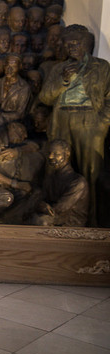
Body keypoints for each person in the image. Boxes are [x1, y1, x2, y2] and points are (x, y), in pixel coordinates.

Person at [39, 25, 110, 225]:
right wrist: (63, 81)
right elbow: (45, 97)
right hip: (62, 120)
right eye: (67, 44)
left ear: (86, 45)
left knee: (91, 172)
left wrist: (101, 123)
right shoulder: (58, 69)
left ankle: (93, 222)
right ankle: (53, 216)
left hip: (90, 122)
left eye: (75, 43)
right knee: (55, 166)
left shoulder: (102, 66)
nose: (70, 47)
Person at [32, 139, 89, 226]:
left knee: (41, 221)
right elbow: (42, 199)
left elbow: (61, 207)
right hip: (54, 216)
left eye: (56, 154)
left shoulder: (78, 182)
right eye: (49, 153)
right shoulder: (51, 178)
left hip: (70, 220)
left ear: (67, 154)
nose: (50, 157)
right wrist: (40, 204)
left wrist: (44, 208)